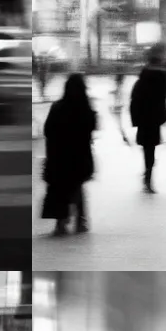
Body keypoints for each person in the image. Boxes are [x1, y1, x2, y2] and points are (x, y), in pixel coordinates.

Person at [41, 73, 97, 235]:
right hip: (80, 157)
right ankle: (81, 220)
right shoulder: (86, 109)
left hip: (60, 157)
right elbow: (90, 130)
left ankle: (61, 222)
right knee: (77, 187)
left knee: (60, 189)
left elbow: (48, 131)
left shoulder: (58, 107)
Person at [129, 49, 166, 192]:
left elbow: (134, 101)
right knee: (150, 148)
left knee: (147, 148)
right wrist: (163, 116)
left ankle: (147, 174)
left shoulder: (141, 81)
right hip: (154, 119)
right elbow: (163, 100)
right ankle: (148, 175)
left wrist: (136, 120)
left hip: (143, 120)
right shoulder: (162, 79)